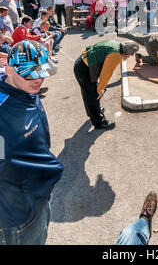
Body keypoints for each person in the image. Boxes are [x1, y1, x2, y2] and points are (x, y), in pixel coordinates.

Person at [0, 40, 63, 245]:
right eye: (29, 74)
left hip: (39, 198)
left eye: (42, 72)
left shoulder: (26, 90)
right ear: (9, 70)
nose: (38, 79)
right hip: (18, 217)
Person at [73, 40, 139, 129]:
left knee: (88, 93)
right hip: (85, 69)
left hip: (81, 63)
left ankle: (92, 112)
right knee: (93, 94)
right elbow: (106, 73)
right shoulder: (116, 55)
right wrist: (100, 89)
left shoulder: (114, 44)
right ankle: (99, 122)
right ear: (127, 54)